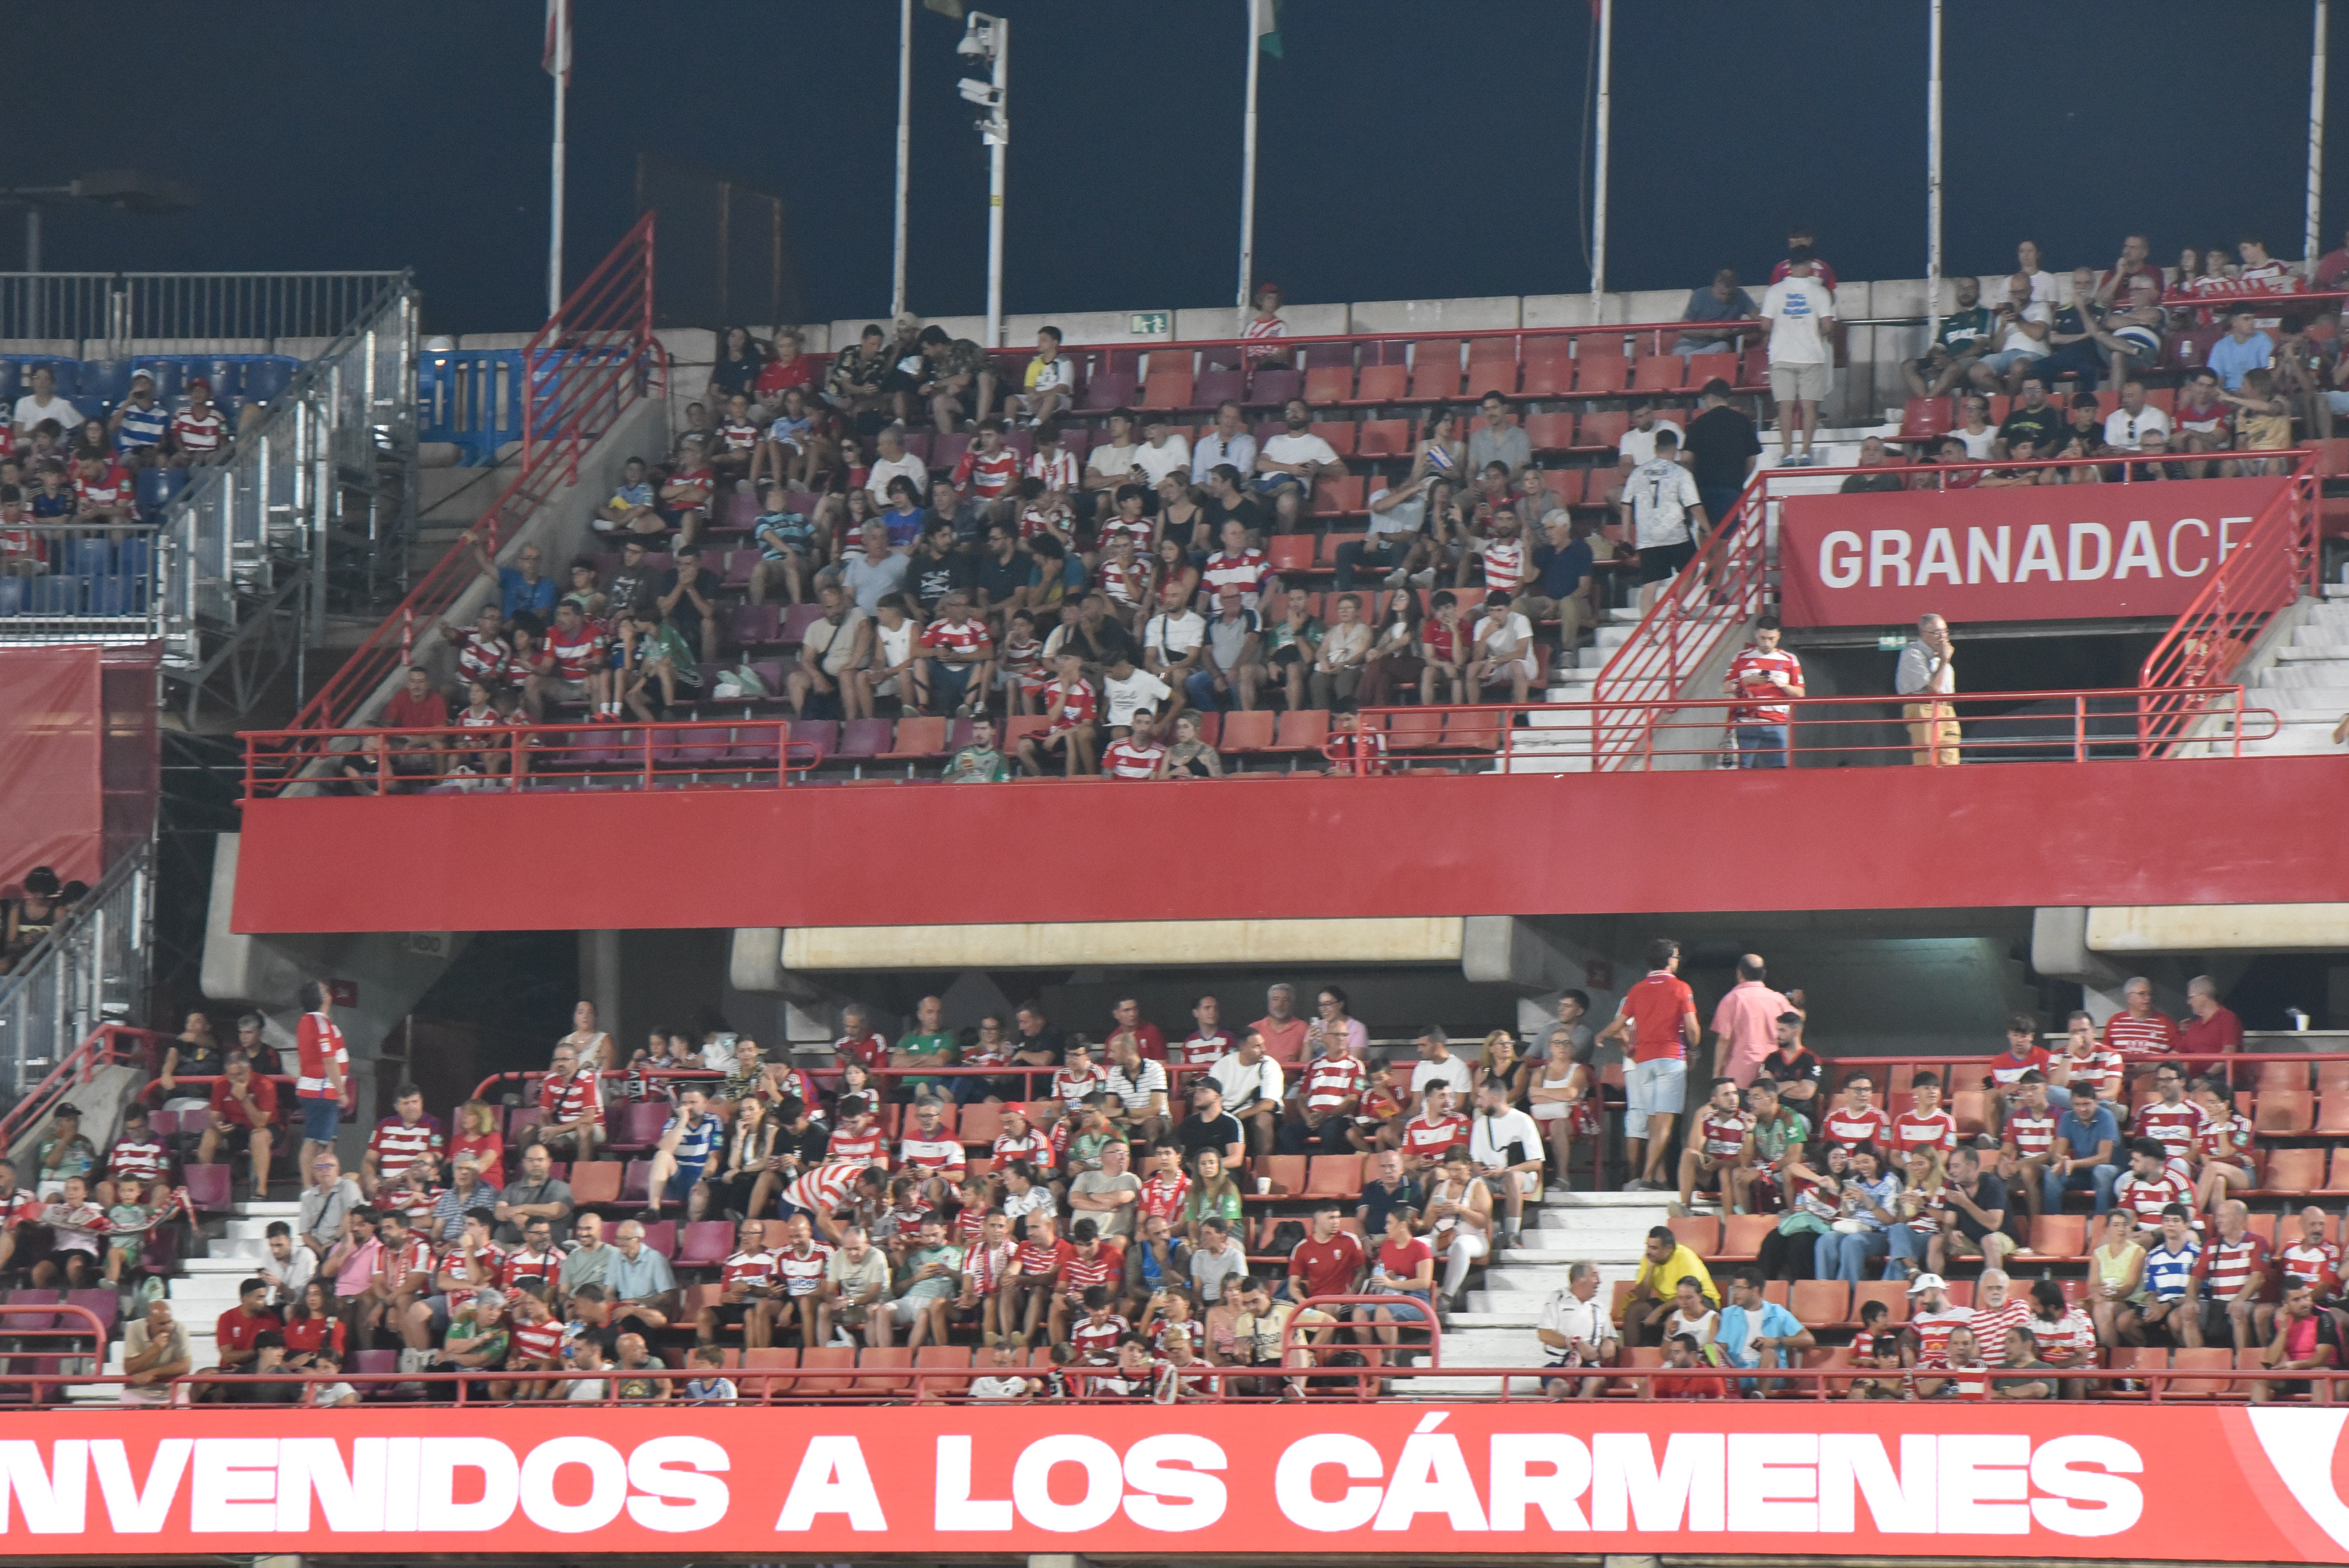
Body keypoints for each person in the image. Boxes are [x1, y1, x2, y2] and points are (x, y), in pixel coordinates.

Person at [1602, 938, 1700, 1191]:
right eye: (1676, 957)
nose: (1677, 961)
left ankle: (1659, 1178)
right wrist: (1694, 1045)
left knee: (1653, 1122)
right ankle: (1647, 1178)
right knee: (1664, 1127)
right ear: (1669, 960)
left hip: (1643, 1063)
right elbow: (1692, 1030)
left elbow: (1618, 1027)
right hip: (1671, 1059)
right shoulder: (1681, 988)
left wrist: (1601, 1035)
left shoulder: (1636, 990)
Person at [1618, 428, 1706, 617]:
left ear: (1656, 448)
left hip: (1648, 536)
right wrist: (1709, 530)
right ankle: (1677, 604)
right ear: (1675, 449)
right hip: (1675, 533)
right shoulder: (1680, 473)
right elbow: (1695, 505)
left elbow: (1626, 506)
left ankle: (1646, 634)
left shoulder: (1638, 473)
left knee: (1650, 585)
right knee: (1691, 566)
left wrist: (1626, 536)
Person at [1760, 245, 1835, 463]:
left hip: (1782, 355)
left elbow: (1765, 325)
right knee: (1809, 407)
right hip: (1811, 355)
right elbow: (1828, 327)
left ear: (1790, 267)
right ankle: (1805, 452)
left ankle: (1786, 453)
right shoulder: (1820, 292)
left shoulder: (1774, 291)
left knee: (1785, 407)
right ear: (1810, 266)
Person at [1722, 619, 1803, 769]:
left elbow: (1800, 693)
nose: (1767, 643)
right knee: (1743, 770)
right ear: (1756, 635)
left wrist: (1783, 685)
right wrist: (1746, 681)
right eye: (1763, 638)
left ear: (1778, 636)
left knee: (1779, 771)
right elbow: (1726, 687)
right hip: (1747, 722)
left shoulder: (1790, 659)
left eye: (1771, 639)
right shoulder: (1741, 657)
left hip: (1777, 722)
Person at [1621, 1224, 1718, 1347]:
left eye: (1654, 1248)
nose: (1649, 1252)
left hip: (1700, 1299)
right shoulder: (1649, 1259)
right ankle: (1631, 1361)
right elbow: (1641, 1297)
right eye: (1648, 1247)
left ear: (1669, 1249)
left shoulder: (1685, 1257)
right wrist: (1649, 1270)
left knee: (1681, 1309)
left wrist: (1660, 1310)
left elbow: (1689, 1295)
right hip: (1670, 1302)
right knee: (1633, 1310)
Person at [1538, 1260, 1620, 1399]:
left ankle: (1578, 1415)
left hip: (1589, 1365)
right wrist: (1577, 1344)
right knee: (1559, 1388)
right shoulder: (1558, 1298)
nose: (1599, 1282)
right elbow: (1544, 1333)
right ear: (1580, 1279)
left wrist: (1609, 1344)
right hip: (1559, 1363)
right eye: (1595, 1276)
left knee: (1595, 1381)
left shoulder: (1599, 1307)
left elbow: (1610, 1337)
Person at [293, 981, 350, 1174]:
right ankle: (309, 1190)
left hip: (323, 1092)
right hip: (321, 1092)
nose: (330, 991)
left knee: (327, 1143)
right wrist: (342, 1092)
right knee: (314, 1142)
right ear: (323, 998)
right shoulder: (319, 1023)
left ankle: (320, 1188)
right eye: (326, 989)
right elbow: (329, 1060)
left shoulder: (310, 1021)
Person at [2255, 1280, 2342, 1405]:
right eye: (2297, 1300)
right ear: (2285, 1304)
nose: (2305, 1303)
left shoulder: (2324, 1317)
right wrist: (2284, 1328)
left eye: (2306, 1297)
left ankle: (2319, 1420)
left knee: (2319, 1373)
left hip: (2327, 1371)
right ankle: (2254, 1422)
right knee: (2262, 1376)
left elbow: (2321, 1359)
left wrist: (2294, 1366)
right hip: (2297, 1373)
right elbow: (2270, 1361)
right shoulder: (2278, 1319)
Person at [1895, 613, 1958, 766]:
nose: (1943, 637)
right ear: (1924, 634)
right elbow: (1933, 689)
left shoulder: (1941, 656)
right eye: (1937, 632)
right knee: (1928, 763)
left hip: (1947, 711)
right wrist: (1944, 661)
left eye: (1945, 632)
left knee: (1951, 764)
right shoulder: (1913, 654)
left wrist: (1943, 660)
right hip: (1924, 708)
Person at [1675, 269, 1758, 358]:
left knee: (1723, 348)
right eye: (1722, 293)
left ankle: (1681, 361)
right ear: (1716, 284)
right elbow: (1684, 328)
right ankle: (1683, 360)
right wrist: (1713, 333)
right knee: (1679, 351)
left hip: (1718, 345)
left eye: (1730, 294)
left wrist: (1738, 330)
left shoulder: (1741, 296)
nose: (1726, 297)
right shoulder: (1700, 295)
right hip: (1691, 343)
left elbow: (1759, 319)